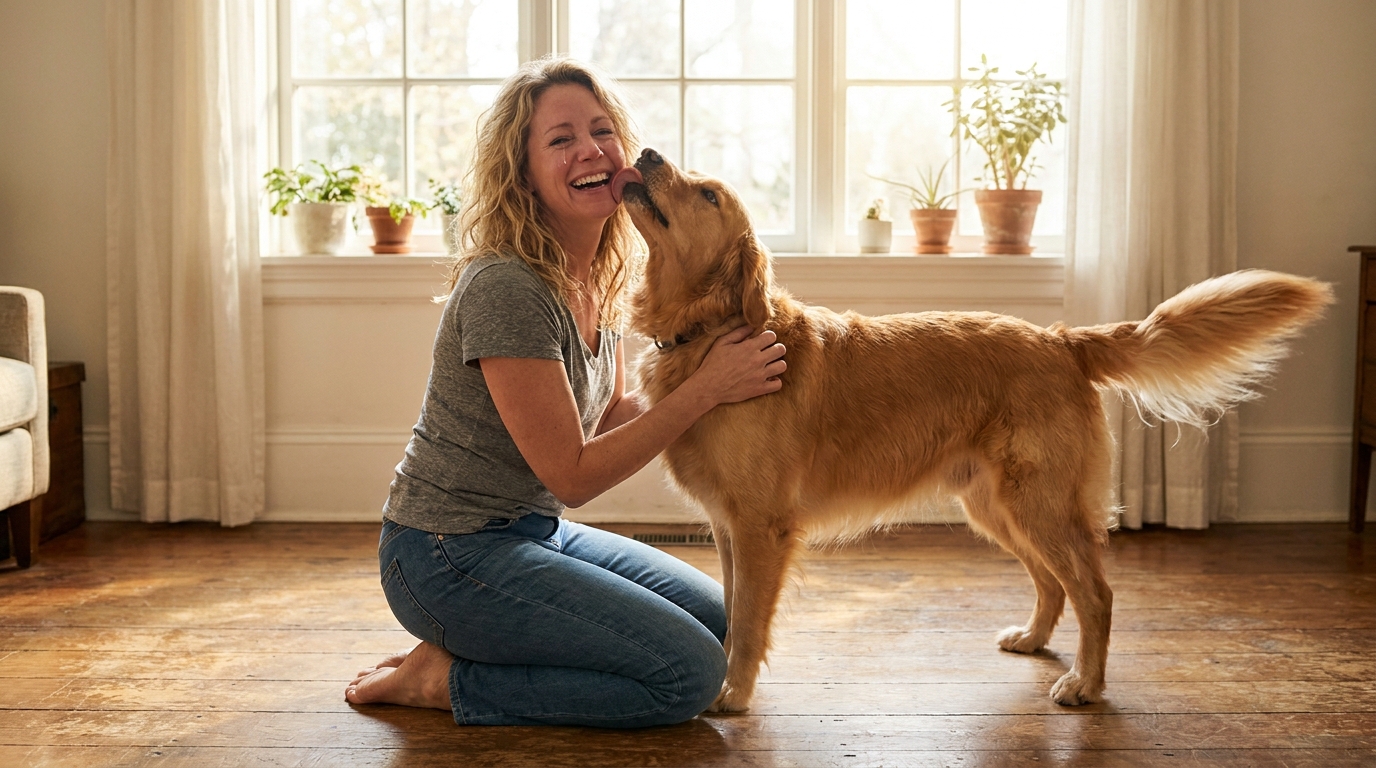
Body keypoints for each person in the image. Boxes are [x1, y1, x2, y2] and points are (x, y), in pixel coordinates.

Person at [344, 56, 787, 728]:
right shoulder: (507, 287)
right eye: (561, 139)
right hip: (445, 554)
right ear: (523, 174)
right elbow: (573, 475)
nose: (590, 149)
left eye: (602, 131)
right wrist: (703, 390)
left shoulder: (600, 275)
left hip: (536, 533)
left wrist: (716, 381)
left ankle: (492, 641)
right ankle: (445, 679)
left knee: (720, 624)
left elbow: (605, 417)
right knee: (688, 676)